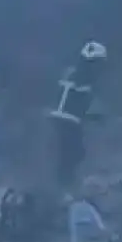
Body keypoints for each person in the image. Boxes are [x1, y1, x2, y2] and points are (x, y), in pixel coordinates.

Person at [48, 40, 108, 185]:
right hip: (68, 124)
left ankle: (61, 185)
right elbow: (82, 104)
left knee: (66, 157)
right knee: (71, 156)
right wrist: (97, 117)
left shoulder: (69, 72)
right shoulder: (86, 79)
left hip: (56, 121)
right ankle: (63, 187)